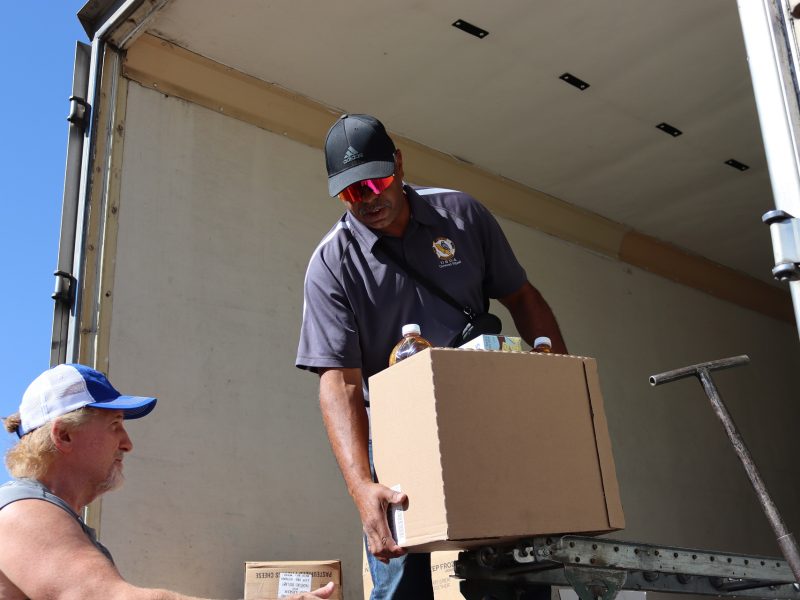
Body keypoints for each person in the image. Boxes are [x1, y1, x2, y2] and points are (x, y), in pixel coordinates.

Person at [296, 114, 567, 598]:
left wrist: (556, 384)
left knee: (516, 575)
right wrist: (362, 488)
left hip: (485, 416)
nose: (370, 199)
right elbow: (340, 382)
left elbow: (522, 296)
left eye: (377, 181)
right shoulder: (332, 264)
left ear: (399, 163)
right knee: (401, 580)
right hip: (400, 438)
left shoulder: (461, 215)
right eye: (353, 193)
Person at [0, 363, 334, 600]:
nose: (127, 443)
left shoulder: (44, 516)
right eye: (115, 424)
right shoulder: (23, 513)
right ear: (65, 435)